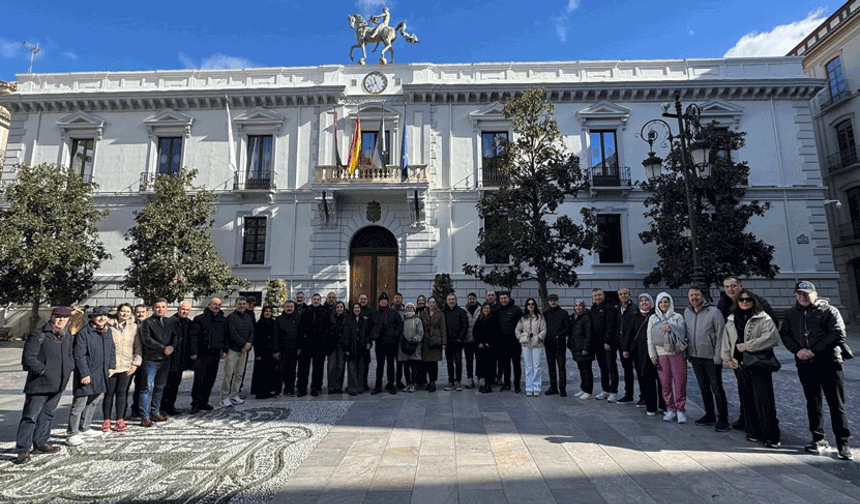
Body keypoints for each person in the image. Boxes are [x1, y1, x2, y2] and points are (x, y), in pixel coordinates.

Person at [780, 281, 852, 460]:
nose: (802, 297)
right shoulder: (791, 313)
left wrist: (813, 350)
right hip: (805, 365)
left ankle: (843, 443)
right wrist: (797, 351)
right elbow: (785, 334)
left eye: (806, 293)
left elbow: (838, 334)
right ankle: (818, 438)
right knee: (813, 402)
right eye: (799, 294)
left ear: (815, 294)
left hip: (829, 363)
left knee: (836, 404)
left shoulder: (829, 311)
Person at [721, 288, 781, 448]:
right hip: (740, 364)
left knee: (764, 400)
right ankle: (754, 431)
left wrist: (748, 346)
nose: (745, 302)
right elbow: (727, 340)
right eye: (742, 300)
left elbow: (772, 338)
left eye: (748, 299)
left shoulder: (762, 317)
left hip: (758, 363)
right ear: (737, 302)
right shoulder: (732, 319)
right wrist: (728, 358)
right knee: (747, 399)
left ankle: (771, 436)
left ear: (753, 301)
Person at [15, 307, 74, 464]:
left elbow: (69, 355)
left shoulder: (67, 335)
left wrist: (69, 368)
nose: (61, 320)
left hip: (58, 383)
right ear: (52, 317)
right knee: (30, 417)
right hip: (39, 384)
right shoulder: (39, 334)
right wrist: (44, 371)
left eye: (64, 318)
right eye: (57, 317)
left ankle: (40, 442)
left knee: (48, 415)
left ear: (68, 320)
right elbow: (28, 359)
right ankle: (23, 449)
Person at [67, 306, 117, 446]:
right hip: (87, 373)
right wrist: (84, 373)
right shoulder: (84, 333)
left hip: (101, 373)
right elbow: (79, 355)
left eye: (105, 316)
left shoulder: (108, 332)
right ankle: (72, 433)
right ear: (92, 318)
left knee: (93, 401)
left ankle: (85, 427)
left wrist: (112, 366)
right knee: (79, 405)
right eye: (99, 316)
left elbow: (112, 349)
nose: (102, 318)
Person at [684, 286, 729, 432]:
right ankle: (709, 415)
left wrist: (718, 355)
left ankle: (723, 419)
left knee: (717, 389)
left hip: (711, 358)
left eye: (697, 294)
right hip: (695, 356)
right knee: (703, 388)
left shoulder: (714, 312)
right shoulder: (687, 312)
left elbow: (721, 334)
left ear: (703, 296)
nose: (694, 297)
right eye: (691, 295)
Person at [648, 293, 688, 424]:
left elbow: (682, 332)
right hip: (661, 354)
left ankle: (680, 409)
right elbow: (650, 338)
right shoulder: (653, 318)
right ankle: (670, 408)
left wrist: (671, 327)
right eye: (661, 302)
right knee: (665, 383)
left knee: (679, 382)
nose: (663, 305)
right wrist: (652, 355)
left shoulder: (677, 317)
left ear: (670, 303)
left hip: (677, 353)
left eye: (666, 302)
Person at [623, 294, 665, 415]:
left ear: (651, 302)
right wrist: (626, 348)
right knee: (646, 378)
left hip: (658, 351)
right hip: (641, 352)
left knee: (662, 379)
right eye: (641, 301)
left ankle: (663, 404)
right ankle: (650, 404)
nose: (644, 303)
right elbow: (629, 333)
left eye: (646, 300)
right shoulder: (635, 316)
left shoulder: (656, 315)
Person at [139, 298, 177, 427]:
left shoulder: (169, 322)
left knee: (159, 387)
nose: (160, 309)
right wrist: (163, 348)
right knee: (146, 388)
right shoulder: (147, 322)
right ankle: (145, 416)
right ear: (153, 309)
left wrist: (172, 346)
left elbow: (176, 336)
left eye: (162, 307)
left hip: (165, 361)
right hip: (151, 360)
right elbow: (147, 339)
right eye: (157, 307)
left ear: (166, 309)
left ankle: (155, 411)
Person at [104, 303, 141, 433]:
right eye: (123, 311)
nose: (125, 314)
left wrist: (135, 363)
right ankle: (107, 419)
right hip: (111, 366)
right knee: (108, 393)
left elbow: (137, 347)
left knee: (122, 393)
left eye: (128, 312)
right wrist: (107, 364)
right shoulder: (108, 326)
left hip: (126, 365)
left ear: (130, 314)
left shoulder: (134, 327)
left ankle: (120, 419)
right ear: (118, 311)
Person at [188, 298, 228, 413]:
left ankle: (204, 402)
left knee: (210, 379)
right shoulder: (200, 319)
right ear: (209, 305)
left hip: (215, 354)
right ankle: (196, 403)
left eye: (219, 305)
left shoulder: (223, 320)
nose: (216, 306)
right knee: (199, 380)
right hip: (201, 354)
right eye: (214, 304)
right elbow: (193, 337)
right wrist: (193, 352)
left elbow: (226, 337)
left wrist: (224, 350)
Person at [221, 296, 254, 406]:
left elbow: (252, 332)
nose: (242, 306)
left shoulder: (248, 317)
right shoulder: (231, 317)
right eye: (240, 304)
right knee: (228, 374)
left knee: (239, 374)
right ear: (236, 305)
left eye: (244, 304)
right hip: (233, 350)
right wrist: (244, 344)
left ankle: (235, 395)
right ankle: (224, 397)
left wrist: (249, 344)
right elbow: (232, 333)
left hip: (244, 351)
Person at [161, 301, 191, 416]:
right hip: (169, 360)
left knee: (175, 385)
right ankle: (162, 407)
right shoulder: (169, 322)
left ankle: (171, 406)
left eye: (187, 310)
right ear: (178, 309)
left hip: (181, 360)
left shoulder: (188, 323)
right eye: (183, 309)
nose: (184, 312)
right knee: (166, 385)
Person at [590, 289, 620, 402]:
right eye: (595, 295)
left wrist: (608, 341)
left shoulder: (610, 307)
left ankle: (614, 391)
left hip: (608, 344)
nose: (597, 297)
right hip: (597, 344)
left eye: (599, 295)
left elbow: (611, 325)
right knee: (602, 368)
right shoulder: (594, 308)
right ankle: (605, 389)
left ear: (604, 295)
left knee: (611, 367)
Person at [372, 292, 403, 395]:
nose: (383, 301)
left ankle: (391, 385)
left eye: (385, 300)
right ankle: (378, 386)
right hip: (380, 343)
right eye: (381, 300)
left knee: (390, 365)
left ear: (388, 301)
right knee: (379, 365)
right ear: (379, 302)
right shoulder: (375, 314)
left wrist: (395, 334)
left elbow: (399, 325)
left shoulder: (393, 313)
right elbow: (370, 327)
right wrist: (374, 334)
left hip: (391, 343)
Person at [298, 293, 328, 397]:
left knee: (318, 368)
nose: (316, 301)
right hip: (307, 344)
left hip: (319, 345)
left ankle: (315, 388)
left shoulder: (325, 312)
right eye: (314, 299)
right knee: (303, 368)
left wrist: (323, 339)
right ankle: (302, 389)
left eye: (318, 299)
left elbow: (327, 328)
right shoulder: (306, 311)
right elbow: (301, 326)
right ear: (312, 300)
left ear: (320, 300)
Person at [516, 298, 547, 397]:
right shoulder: (523, 318)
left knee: (536, 366)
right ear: (526, 306)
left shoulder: (539, 317)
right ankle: (529, 387)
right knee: (528, 367)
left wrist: (538, 337)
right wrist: (521, 337)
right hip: (526, 344)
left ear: (535, 305)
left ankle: (536, 387)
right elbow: (517, 330)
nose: (530, 306)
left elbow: (543, 330)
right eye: (529, 304)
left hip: (537, 344)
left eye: (532, 304)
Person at [543, 294, 569, 396]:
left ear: (557, 301)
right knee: (551, 366)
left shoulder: (563, 313)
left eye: (554, 300)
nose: (552, 302)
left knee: (561, 366)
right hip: (549, 344)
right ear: (548, 302)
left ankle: (562, 388)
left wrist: (559, 335)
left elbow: (567, 328)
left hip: (560, 344)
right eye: (551, 301)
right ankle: (553, 387)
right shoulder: (545, 313)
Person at [274, 300, 301, 397]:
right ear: (284, 307)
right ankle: (278, 390)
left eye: (291, 306)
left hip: (293, 349)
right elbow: (275, 335)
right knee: (280, 371)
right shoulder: (278, 319)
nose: (289, 308)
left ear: (294, 308)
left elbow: (300, 334)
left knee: (292, 370)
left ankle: (291, 389)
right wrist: (276, 350)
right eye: (287, 306)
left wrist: (299, 347)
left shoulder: (298, 318)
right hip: (282, 350)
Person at [251, 306, 279, 399]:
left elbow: (275, 337)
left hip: (271, 352)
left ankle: (268, 391)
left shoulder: (273, 323)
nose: (267, 313)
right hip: (262, 352)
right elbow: (257, 340)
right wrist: (258, 354)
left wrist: (276, 350)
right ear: (263, 313)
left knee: (270, 373)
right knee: (261, 373)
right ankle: (260, 392)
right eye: (266, 311)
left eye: (269, 311)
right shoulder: (259, 324)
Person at [420, 297, 447, 392]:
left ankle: (432, 381)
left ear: (436, 304)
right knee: (425, 362)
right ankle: (425, 381)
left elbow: (443, 328)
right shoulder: (423, 313)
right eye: (430, 302)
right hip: (425, 340)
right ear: (427, 303)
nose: (432, 304)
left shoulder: (440, 314)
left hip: (435, 339)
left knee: (433, 363)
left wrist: (444, 342)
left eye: (433, 302)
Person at [498, 292, 523, 393]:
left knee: (516, 364)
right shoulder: (498, 310)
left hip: (515, 343)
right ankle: (506, 384)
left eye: (505, 298)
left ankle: (517, 385)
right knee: (505, 365)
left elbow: (522, 325)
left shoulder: (516, 310)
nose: (503, 300)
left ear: (509, 298)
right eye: (501, 298)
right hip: (503, 343)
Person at [568, 300, 594, 399]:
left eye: (580, 306)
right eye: (576, 305)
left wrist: (586, 348)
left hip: (584, 348)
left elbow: (589, 334)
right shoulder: (574, 317)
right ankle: (583, 388)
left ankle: (588, 390)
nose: (578, 307)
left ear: (583, 307)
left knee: (587, 370)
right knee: (581, 369)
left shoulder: (586, 317)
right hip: (576, 348)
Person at [442, 293, 468, 392]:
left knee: (458, 362)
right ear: (446, 301)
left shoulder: (461, 312)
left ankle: (458, 381)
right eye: (449, 300)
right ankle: (450, 381)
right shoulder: (443, 312)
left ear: (456, 300)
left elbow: (464, 326)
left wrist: (460, 338)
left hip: (458, 342)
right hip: (448, 342)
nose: (451, 301)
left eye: (453, 299)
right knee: (449, 362)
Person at [473, 302, 500, 393]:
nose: (486, 310)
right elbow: (475, 332)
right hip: (480, 348)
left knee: (490, 367)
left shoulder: (494, 319)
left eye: (488, 308)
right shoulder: (479, 319)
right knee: (482, 366)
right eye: (484, 308)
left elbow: (495, 334)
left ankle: (489, 385)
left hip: (490, 348)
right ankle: (485, 384)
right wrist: (478, 343)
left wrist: (485, 343)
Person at [343, 302, 370, 396]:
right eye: (355, 308)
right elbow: (345, 334)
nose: (356, 309)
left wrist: (368, 343)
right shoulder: (348, 320)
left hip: (361, 348)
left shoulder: (365, 320)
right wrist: (346, 347)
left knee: (360, 368)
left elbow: (367, 333)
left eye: (358, 308)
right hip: (351, 347)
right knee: (351, 368)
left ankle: (360, 387)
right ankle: (352, 388)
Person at [397, 302, 424, 393]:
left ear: (414, 309)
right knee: (406, 366)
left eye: (411, 307)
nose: (409, 309)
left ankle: (413, 383)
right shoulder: (402, 320)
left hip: (414, 345)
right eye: (407, 307)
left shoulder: (417, 320)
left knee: (414, 366)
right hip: (404, 345)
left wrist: (414, 340)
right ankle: (408, 383)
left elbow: (420, 333)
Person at [616, 288, 637, 404]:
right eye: (621, 294)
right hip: (622, 344)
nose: (623, 296)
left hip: (634, 344)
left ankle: (644, 396)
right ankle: (628, 394)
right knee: (627, 370)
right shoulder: (618, 310)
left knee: (639, 370)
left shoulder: (634, 309)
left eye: (625, 294)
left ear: (629, 295)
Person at [129, 303, 149, 418]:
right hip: (130, 360)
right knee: (125, 388)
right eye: (138, 312)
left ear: (147, 313)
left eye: (142, 312)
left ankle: (139, 409)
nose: (140, 314)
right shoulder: (131, 325)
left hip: (145, 361)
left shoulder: (150, 324)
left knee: (142, 387)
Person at [326, 302, 348, 394]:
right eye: (338, 307)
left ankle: (338, 386)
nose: (339, 308)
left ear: (343, 308)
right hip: (332, 345)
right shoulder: (331, 317)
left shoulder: (346, 318)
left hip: (342, 346)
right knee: (331, 367)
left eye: (341, 307)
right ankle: (331, 387)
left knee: (340, 367)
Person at [358, 293, 378, 390]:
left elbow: (373, 328)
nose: (363, 300)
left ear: (367, 300)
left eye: (364, 299)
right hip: (355, 343)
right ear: (358, 300)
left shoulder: (371, 312)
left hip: (366, 343)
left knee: (366, 363)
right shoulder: (354, 311)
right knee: (356, 364)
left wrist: (369, 341)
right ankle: (356, 383)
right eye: (361, 299)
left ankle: (364, 383)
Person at [463, 292, 481, 389]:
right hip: (468, 340)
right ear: (468, 300)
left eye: (473, 298)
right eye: (470, 298)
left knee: (479, 360)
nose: (472, 300)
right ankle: (470, 378)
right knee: (468, 361)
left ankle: (479, 377)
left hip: (478, 340)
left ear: (476, 299)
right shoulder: (464, 311)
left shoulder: (481, 310)